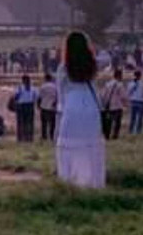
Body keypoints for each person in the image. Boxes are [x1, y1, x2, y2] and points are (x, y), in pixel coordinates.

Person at [56, 31, 106, 188]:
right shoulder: (92, 65)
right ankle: (93, 184)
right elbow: (107, 59)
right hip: (91, 108)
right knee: (91, 149)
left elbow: (61, 95)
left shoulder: (64, 69)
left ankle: (70, 184)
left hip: (71, 108)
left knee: (69, 149)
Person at [100, 68, 128, 140]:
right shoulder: (120, 85)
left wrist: (104, 104)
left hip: (108, 106)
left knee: (108, 122)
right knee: (117, 123)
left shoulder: (108, 84)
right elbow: (123, 96)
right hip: (117, 106)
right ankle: (115, 135)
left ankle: (107, 135)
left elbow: (103, 95)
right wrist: (126, 104)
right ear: (119, 76)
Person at [14, 75, 38, 142]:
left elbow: (16, 96)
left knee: (21, 122)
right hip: (30, 105)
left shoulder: (20, 88)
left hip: (21, 106)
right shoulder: (33, 88)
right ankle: (29, 137)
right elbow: (36, 97)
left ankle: (21, 138)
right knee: (29, 122)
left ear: (22, 80)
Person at [38, 72, 58, 141]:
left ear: (45, 79)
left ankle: (44, 136)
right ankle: (52, 136)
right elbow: (57, 97)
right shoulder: (55, 86)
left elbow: (40, 97)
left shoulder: (43, 86)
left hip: (44, 106)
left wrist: (38, 105)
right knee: (52, 123)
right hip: (52, 107)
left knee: (44, 123)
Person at [128, 69, 143, 136]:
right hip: (141, 102)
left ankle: (130, 130)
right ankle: (138, 131)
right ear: (140, 76)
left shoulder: (130, 83)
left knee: (132, 118)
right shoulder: (142, 84)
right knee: (140, 118)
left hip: (133, 101)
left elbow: (128, 93)